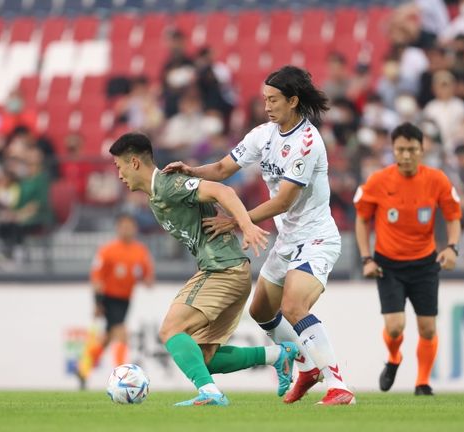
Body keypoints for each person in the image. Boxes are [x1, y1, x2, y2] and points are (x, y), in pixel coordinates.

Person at [164, 65, 355, 405]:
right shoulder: (263, 135)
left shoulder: (307, 142)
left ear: (293, 101)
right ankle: (305, 366)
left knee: (294, 305)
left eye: (274, 99)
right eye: (264, 98)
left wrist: (236, 220)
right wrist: (192, 170)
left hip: (317, 238)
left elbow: (283, 200)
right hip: (286, 240)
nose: (267, 106)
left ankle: (337, 384)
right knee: (261, 311)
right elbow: (224, 169)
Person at [109, 132, 298, 407]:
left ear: (135, 162)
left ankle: (210, 393)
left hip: (222, 269)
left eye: (119, 166)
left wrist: (243, 224)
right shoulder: (156, 196)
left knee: (171, 330)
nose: (119, 175)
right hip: (228, 271)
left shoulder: (168, 185)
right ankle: (278, 356)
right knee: (203, 357)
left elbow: (223, 190)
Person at [353, 122, 462, 396]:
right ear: (393, 150)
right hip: (388, 264)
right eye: (400, 149)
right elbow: (362, 220)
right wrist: (366, 258)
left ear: (422, 150)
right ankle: (394, 358)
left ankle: (422, 383)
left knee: (427, 328)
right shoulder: (378, 181)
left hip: (425, 263)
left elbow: (453, 216)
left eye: (412, 149)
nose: (406, 155)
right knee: (395, 326)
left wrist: (452, 248)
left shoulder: (437, 180)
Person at [77, 214, 155, 388]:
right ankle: (122, 377)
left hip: (126, 299)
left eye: (130, 226)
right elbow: (96, 278)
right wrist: (97, 303)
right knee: (121, 333)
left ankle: (83, 369)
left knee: (107, 338)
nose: (127, 229)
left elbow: (146, 275)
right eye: (123, 226)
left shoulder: (140, 250)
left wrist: (147, 279)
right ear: (117, 228)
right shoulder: (107, 250)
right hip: (108, 298)